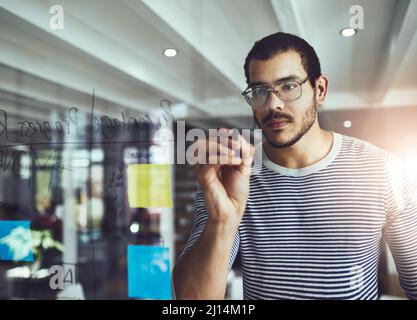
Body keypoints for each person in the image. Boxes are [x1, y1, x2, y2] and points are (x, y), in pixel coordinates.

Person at [172, 32, 417, 300]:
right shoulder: (231, 177)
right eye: (260, 91)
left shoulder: (383, 168)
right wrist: (223, 221)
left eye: (288, 86)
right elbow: (190, 301)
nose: (272, 104)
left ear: (320, 89)